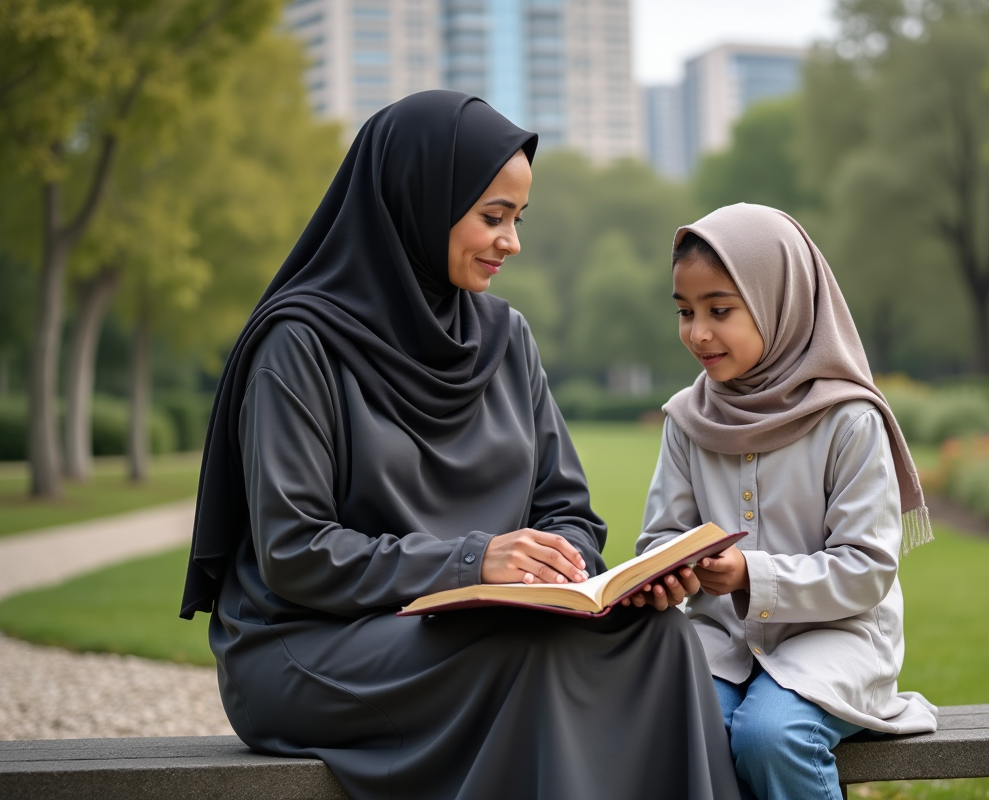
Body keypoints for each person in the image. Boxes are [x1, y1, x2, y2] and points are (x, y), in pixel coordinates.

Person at [180, 91, 739, 800]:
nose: (511, 242)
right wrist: (473, 562)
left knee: (662, 640)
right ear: (420, 201)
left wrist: (570, 574)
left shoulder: (507, 339)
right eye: (492, 217)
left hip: (482, 627)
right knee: (526, 655)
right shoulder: (300, 345)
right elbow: (295, 552)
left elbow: (568, 511)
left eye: (517, 219)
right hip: (311, 642)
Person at [634, 203, 939, 800]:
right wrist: (670, 571)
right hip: (723, 642)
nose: (698, 332)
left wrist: (749, 574)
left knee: (771, 735)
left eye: (720, 309)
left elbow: (867, 568)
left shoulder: (848, 420)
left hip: (839, 640)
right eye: (685, 311)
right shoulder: (687, 419)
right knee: (679, 724)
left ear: (780, 301)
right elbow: (661, 538)